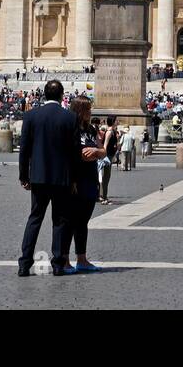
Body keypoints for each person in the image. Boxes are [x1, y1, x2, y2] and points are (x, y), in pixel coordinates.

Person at [18, 79, 78, 277]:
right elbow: (74, 152)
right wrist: (74, 179)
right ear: (62, 95)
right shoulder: (70, 117)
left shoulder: (31, 116)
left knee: (34, 218)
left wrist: (23, 176)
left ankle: (24, 263)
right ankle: (58, 264)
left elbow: (24, 150)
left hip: (38, 177)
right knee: (60, 220)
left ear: (44, 95)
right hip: (62, 178)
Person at [67, 96, 107, 274]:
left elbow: (103, 150)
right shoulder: (71, 128)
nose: (91, 113)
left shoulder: (91, 129)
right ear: (80, 111)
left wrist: (96, 151)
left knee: (83, 222)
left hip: (90, 179)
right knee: (70, 221)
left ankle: (82, 259)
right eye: (88, 110)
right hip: (76, 180)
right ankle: (64, 259)